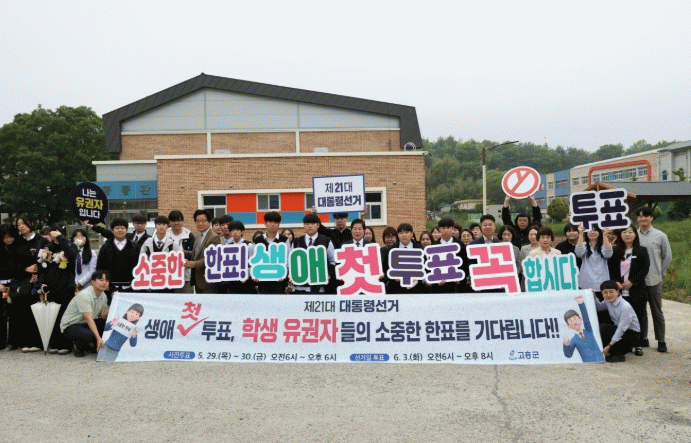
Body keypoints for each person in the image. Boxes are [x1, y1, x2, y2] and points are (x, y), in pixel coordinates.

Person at [608, 225, 649, 357]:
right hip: (620, 291)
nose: (627, 234)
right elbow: (611, 269)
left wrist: (632, 282)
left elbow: (644, 269)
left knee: (639, 316)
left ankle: (639, 344)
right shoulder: (615, 251)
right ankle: (625, 343)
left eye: (630, 232)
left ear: (635, 234)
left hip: (637, 290)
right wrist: (616, 282)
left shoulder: (642, 250)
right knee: (620, 318)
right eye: (624, 232)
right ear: (620, 235)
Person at [636, 206, 672, 353]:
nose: (643, 219)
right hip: (638, 281)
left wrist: (659, 273)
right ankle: (643, 338)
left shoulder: (660, 236)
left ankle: (661, 340)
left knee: (657, 311)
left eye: (646, 216)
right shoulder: (633, 235)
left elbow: (667, 257)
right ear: (637, 219)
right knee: (641, 312)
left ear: (651, 218)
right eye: (640, 216)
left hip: (654, 280)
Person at [38, 223, 77, 354]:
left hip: (66, 286)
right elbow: (43, 266)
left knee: (64, 315)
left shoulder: (70, 245)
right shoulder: (48, 248)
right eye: (52, 231)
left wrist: (61, 239)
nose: (54, 234)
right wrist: (42, 282)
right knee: (53, 314)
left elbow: (72, 257)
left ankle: (66, 344)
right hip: (51, 286)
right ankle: (55, 343)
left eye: (57, 232)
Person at [12, 215, 45, 352]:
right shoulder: (17, 243)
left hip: (38, 281)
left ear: (31, 223)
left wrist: (38, 274)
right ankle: (24, 342)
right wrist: (26, 269)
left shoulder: (41, 240)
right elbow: (13, 263)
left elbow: (46, 260)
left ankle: (37, 342)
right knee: (23, 312)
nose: (21, 226)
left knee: (36, 311)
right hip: (22, 281)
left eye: (23, 223)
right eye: (18, 224)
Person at [60, 270, 110, 357]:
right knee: (88, 335)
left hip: (85, 324)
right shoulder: (85, 295)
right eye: (101, 280)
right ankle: (78, 346)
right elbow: (88, 318)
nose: (104, 283)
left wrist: (114, 302)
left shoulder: (103, 295)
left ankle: (91, 345)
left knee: (107, 324)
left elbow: (103, 315)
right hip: (71, 325)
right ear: (93, 282)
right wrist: (98, 338)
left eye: (106, 280)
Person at [594, 280, 641, 362]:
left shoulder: (625, 307)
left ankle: (618, 353)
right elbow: (599, 307)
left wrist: (609, 346)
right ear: (602, 293)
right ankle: (612, 351)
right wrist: (594, 296)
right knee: (603, 328)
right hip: (620, 330)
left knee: (611, 353)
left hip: (631, 334)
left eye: (611, 292)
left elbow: (621, 329)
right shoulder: (608, 301)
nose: (608, 295)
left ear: (617, 292)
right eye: (605, 293)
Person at [292, 213, 335, 293]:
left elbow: (332, 261)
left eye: (312, 223)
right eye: (307, 224)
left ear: (318, 225)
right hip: (300, 288)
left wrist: (328, 274)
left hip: (319, 287)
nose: (310, 226)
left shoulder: (326, 241)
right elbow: (291, 262)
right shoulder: (296, 241)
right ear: (304, 225)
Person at [96, 218, 140, 292]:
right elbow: (100, 267)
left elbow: (139, 266)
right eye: (117, 228)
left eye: (122, 228)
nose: (120, 230)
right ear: (112, 230)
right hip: (109, 288)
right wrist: (105, 285)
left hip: (130, 287)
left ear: (126, 230)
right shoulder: (105, 247)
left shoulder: (134, 246)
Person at [185, 209, 221, 294]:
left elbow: (213, 258)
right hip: (198, 280)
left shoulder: (214, 237)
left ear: (209, 222)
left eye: (203, 221)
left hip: (209, 281)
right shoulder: (197, 237)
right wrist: (183, 252)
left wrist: (195, 264)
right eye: (197, 221)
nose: (200, 224)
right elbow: (196, 254)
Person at [254, 212, 291, 294]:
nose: (272, 225)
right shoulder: (258, 240)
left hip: (279, 280)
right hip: (263, 280)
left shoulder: (284, 240)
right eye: (270, 222)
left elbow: (288, 259)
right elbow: (254, 260)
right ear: (265, 223)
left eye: (275, 222)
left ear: (279, 224)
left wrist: (284, 273)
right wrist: (255, 274)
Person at [562, 294, 605, 363]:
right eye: (570, 321)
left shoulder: (588, 330)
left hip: (600, 361)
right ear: (568, 325)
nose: (574, 321)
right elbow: (568, 355)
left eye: (575, 318)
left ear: (580, 319)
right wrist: (566, 344)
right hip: (588, 365)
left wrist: (581, 303)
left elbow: (586, 317)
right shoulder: (574, 339)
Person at [431, 217, 469, 293]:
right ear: (439, 229)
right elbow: (431, 266)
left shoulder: (460, 245)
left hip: (457, 286)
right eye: (443, 228)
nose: (446, 230)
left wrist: (461, 276)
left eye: (448, 228)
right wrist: (436, 279)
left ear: (452, 229)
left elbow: (465, 264)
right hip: (440, 287)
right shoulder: (433, 247)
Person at [383, 223, 423, 294]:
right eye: (401, 233)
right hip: (396, 288)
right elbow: (386, 269)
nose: (404, 235)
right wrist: (393, 276)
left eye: (406, 232)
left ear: (412, 234)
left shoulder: (419, 249)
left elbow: (424, 267)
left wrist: (417, 277)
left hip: (416, 289)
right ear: (398, 235)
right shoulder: (391, 250)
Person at [166, 210, 196, 293]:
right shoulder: (166, 234)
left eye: (178, 220)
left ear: (182, 221)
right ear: (169, 222)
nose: (176, 223)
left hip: (186, 275)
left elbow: (193, 253)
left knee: (186, 297)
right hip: (169, 275)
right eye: (173, 221)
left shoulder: (188, 234)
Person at [223, 220, 256, 295]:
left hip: (247, 282)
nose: (235, 232)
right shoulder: (227, 247)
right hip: (232, 282)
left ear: (242, 232)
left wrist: (245, 275)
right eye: (233, 230)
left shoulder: (249, 245)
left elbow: (253, 264)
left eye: (237, 230)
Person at [0, 224, 19, 350]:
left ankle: (14, 342)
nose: (8, 239)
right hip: (0, 284)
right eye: (5, 237)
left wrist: (13, 284)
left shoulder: (17, 247)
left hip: (14, 284)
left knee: (14, 314)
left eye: (11, 236)